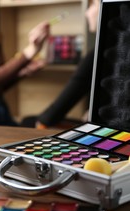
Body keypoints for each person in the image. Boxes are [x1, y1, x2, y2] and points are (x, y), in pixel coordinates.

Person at [36, 0, 100, 129]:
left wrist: (41, 123)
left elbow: (49, 117)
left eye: (93, 5)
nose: (87, 13)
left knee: (29, 122)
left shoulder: (96, 54)